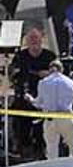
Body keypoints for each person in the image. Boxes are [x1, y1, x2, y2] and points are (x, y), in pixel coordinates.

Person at [12, 28, 57, 156]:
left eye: (36, 38)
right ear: (26, 41)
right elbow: (13, 74)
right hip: (25, 96)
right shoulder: (20, 56)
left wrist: (49, 73)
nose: (33, 41)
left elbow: (58, 72)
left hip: (44, 97)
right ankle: (22, 149)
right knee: (20, 123)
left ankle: (41, 150)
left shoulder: (49, 56)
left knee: (42, 128)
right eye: (30, 38)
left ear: (41, 39)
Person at [34, 60, 73, 159]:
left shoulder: (43, 82)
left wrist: (30, 99)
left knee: (51, 149)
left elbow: (38, 103)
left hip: (50, 118)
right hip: (66, 116)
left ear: (49, 69)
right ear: (61, 69)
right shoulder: (69, 82)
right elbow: (72, 98)